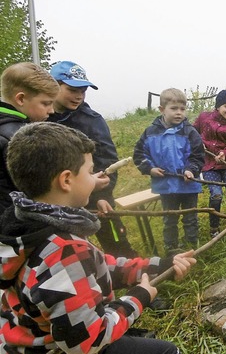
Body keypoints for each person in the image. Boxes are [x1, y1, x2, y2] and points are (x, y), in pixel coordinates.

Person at [0, 122, 196, 353]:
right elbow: (90, 340)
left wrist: (157, 266)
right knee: (167, 351)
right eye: (90, 171)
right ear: (66, 180)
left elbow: (93, 269)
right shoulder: (62, 251)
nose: (95, 178)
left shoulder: (27, 226)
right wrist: (137, 299)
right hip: (61, 347)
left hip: (22, 339)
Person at [48, 60, 138, 258]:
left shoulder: (93, 120)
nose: (79, 95)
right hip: (57, 200)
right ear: (54, 86)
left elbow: (108, 160)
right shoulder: (40, 118)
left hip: (95, 194)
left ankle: (137, 276)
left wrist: (103, 195)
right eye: (72, 89)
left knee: (116, 241)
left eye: (83, 90)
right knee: (69, 250)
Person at [133, 88, 204, 253]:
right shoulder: (150, 133)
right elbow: (139, 154)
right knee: (170, 218)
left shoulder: (190, 132)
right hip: (165, 184)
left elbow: (198, 155)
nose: (179, 113)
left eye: (182, 109)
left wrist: (191, 170)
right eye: (174, 109)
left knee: (190, 217)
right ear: (162, 109)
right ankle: (171, 249)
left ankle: (192, 246)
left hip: (188, 184)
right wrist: (150, 169)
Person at [0, 62, 59, 212]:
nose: (51, 110)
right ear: (20, 99)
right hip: (14, 225)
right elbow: (42, 192)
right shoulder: (20, 139)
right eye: (46, 103)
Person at [193, 89, 226, 244]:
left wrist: (225, 154)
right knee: (215, 194)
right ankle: (214, 229)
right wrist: (196, 142)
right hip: (209, 165)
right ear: (218, 106)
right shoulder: (204, 118)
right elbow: (192, 131)